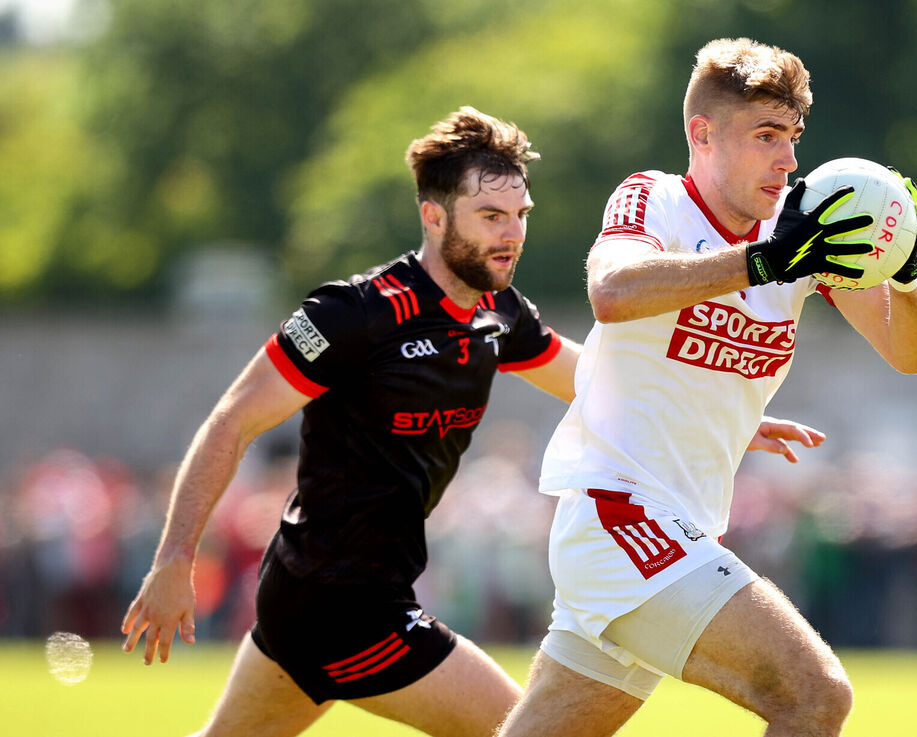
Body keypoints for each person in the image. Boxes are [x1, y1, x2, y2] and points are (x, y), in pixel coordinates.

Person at [497, 38, 917, 737]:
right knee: (814, 695)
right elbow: (611, 291)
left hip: (677, 525)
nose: (788, 160)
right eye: (766, 136)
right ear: (702, 135)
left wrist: (906, 269)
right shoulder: (657, 198)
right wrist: (764, 262)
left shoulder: (800, 231)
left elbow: (914, 356)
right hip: (620, 516)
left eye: (793, 138)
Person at [120, 107, 584, 737]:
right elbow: (232, 422)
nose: (513, 234)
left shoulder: (500, 312)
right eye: (492, 217)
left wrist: (716, 420)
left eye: (520, 215)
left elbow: (590, 384)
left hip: (309, 595)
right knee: (531, 731)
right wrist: (174, 559)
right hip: (344, 605)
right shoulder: (354, 314)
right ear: (435, 216)